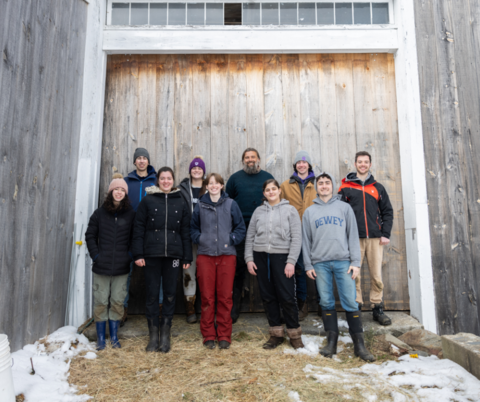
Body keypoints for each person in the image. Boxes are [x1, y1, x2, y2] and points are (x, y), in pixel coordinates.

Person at [302, 172, 375, 362]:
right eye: (321, 183)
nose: (324, 186)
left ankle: (359, 345)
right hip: (320, 263)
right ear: (317, 187)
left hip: (343, 261)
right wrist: (308, 264)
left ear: (332, 187)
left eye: (327, 183)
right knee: (326, 302)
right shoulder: (310, 212)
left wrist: (355, 263)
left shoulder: (344, 208)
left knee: (350, 302)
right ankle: (331, 341)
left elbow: (353, 236)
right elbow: (305, 240)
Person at [131, 167, 193, 353]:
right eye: (163, 178)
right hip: (151, 254)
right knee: (151, 293)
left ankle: (165, 334)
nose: (166, 181)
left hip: (173, 256)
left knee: (169, 293)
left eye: (169, 178)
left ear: (173, 181)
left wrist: (187, 255)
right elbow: (138, 228)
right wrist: (138, 254)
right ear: (158, 180)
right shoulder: (148, 200)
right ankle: (153, 335)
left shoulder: (180, 201)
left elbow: (185, 231)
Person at [245, 179, 304, 350]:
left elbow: (296, 237)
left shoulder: (290, 210)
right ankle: (276, 334)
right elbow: (250, 236)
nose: (271, 192)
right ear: (264, 193)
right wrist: (249, 259)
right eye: (267, 190)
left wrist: (291, 261)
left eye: (274, 189)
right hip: (261, 257)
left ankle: (294, 334)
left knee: (287, 297)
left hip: (282, 258)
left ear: (279, 191)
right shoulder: (258, 212)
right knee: (268, 296)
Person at [191, 173, 246, 349]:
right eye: (210, 183)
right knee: (207, 297)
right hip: (205, 256)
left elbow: (240, 227)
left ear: (222, 185)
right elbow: (192, 229)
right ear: (206, 186)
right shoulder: (200, 205)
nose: (214, 186)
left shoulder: (231, 204)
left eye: (217, 183)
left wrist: (231, 239)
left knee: (224, 297)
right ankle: (208, 334)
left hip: (226, 256)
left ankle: (224, 334)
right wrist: (201, 239)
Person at [338, 151, 394, 326]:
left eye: (366, 162)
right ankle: (357, 306)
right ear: (355, 164)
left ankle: (377, 307)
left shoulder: (378, 187)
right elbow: (340, 214)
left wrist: (385, 234)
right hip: (353, 238)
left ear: (370, 164)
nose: (363, 164)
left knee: (376, 274)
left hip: (375, 239)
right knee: (355, 274)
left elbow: (387, 212)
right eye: (360, 162)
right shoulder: (345, 188)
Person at [85, 174, 136, 351]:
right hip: (101, 267)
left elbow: (135, 238)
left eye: (122, 190)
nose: (119, 192)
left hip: (122, 268)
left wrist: (129, 255)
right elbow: (90, 235)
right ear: (111, 191)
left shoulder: (130, 214)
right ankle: (101, 338)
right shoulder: (99, 214)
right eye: (116, 189)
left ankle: (114, 336)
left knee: (117, 301)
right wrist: (96, 255)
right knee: (100, 301)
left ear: (125, 193)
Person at [225, 148, 274, 323]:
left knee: (264, 268)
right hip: (239, 229)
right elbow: (226, 202)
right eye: (247, 157)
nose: (250, 160)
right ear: (243, 160)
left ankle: (271, 310)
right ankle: (235, 308)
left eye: (253, 157)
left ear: (259, 159)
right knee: (238, 269)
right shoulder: (235, 179)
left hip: (263, 229)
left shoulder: (267, 178)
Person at [280, 150, 319, 321]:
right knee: (300, 269)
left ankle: (322, 303)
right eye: (298, 163)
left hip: (317, 233)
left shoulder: (318, 183)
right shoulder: (285, 185)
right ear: (295, 165)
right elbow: (279, 207)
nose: (301, 165)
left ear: (309, 165)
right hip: (295, 234)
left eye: (304, 162)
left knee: (320, 267)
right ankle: (302, 304)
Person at [122, 148, 157, 326]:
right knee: (125, 271)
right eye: (139, 158)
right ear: (135, 162)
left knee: (155, 270)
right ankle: (122, 308)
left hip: (151, 231)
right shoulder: (127, 182)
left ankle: (156, 308)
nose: (142, 161)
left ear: (148, 161)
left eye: (145, 158)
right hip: (129, 231)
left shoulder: (156, 180)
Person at [179, 156, 207, 324]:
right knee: (188, 271)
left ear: (203, 171)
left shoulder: (209, 187)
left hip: (206, 237)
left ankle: (205, 306)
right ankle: (190, 307)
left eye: (200, 168)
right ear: (190, 171)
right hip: (188, 237)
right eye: (194, 168)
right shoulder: (182, 189)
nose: (196, 170)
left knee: (205, 272)